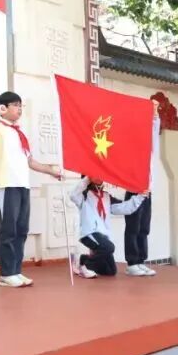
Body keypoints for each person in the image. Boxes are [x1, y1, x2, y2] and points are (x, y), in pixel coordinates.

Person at [0, 91, 62, 288]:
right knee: (8, 230)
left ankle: (15, 271)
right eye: (15, 105)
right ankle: (6, 274)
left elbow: (30, 161)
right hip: (6, 184)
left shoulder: (19, 132)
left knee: (21, 230)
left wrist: (52, 171)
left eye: (20, 105)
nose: (19, 109)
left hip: (23, 186)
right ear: (4, 107)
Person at [69, 177, 147, 278]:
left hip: (103, 235)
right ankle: (83, 265)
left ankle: (83, 260)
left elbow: (125, 208)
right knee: (109, 247)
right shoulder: (84, 195)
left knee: (110, 270)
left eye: (100, 175)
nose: (99, 177)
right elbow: (73, 195)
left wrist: (140, 196)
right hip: (89, 233)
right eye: (96, 175)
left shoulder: (106, 196)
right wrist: (88, 178)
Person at [123, 100, 161, 276]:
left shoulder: (150, 148)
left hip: (147, 192)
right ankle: (132, 262)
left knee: (144, 228)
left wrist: (154, 113)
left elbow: (154, 130)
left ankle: (140, 260)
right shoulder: (131, 147)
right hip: (134, 191)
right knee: (133, 227)